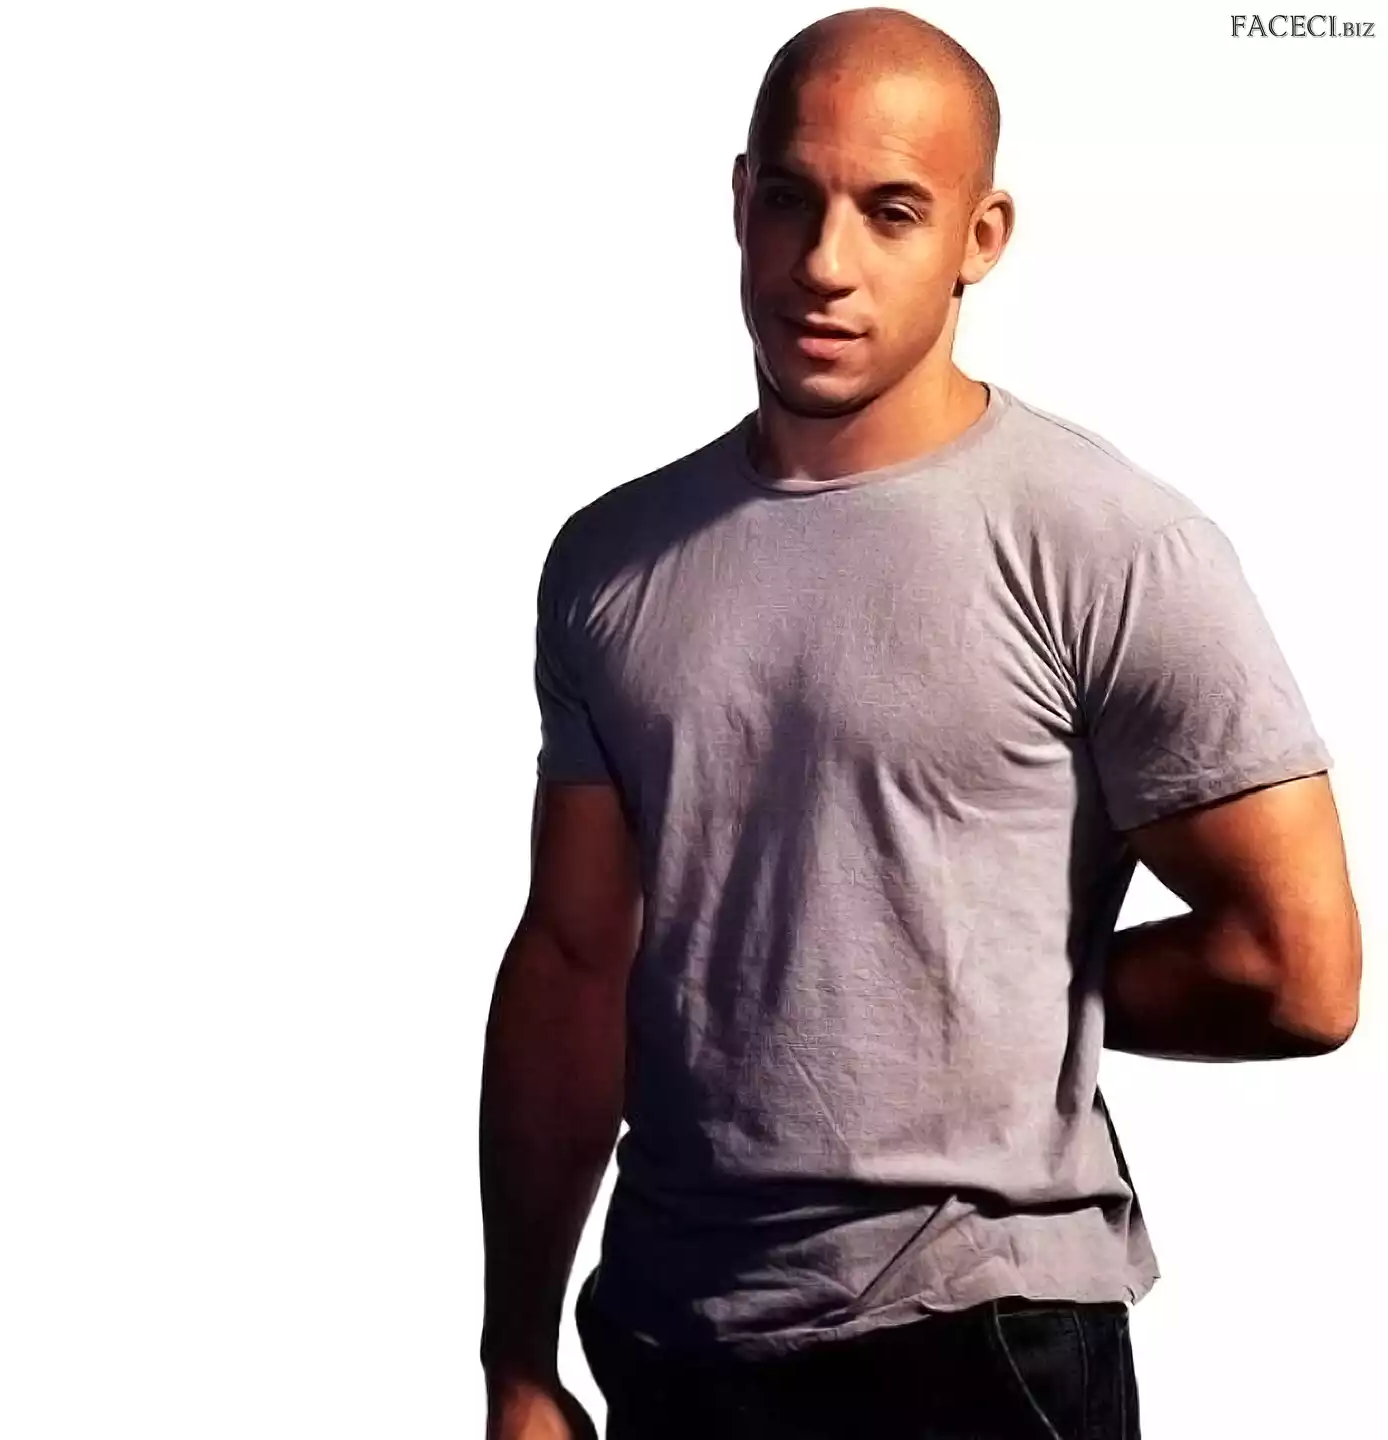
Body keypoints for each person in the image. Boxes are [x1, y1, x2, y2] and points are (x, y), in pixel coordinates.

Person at [476, 8, 1364, 1439]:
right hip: (671, 1329)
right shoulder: (611, 561)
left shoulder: (1110, 548)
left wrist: (1011, 996)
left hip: (978, 1339)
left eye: (892, 212)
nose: (824, 264)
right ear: (740, 201)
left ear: (979, 236)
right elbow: (574, 959)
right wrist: (518, 1356)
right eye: (791, 199)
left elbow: (1298, 972)